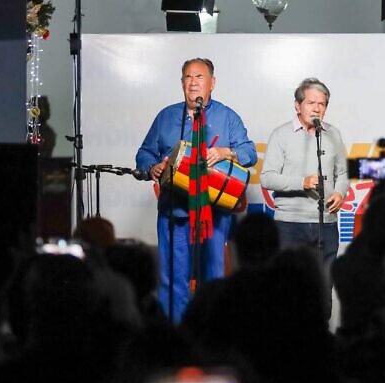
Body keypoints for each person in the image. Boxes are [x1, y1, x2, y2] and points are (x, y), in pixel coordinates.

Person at [135, 58, 257, 323]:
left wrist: (227, 152)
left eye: (199, 77)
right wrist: (152, 167)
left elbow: (250, 153)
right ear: (181, 83)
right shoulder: (167, 116)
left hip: (213, 213)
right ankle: (175, 337)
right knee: (172, 278)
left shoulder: (227, 116)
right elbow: (144, 153)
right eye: (187, 77)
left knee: (212, 278)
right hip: (173, 211)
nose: (193, 82)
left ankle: (209, 334)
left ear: (212, 83)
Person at [260, 77, 349, 267]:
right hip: (289, 224)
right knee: (291, 286)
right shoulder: (281, 134)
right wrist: (302, 182)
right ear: (297, 106)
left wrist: (340, 193)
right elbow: (267, 178)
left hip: (326, 223)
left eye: (322, 104)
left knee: (324, 284)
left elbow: (342, 173)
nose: (317, 109)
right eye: (311, 103)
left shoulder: (334, 134)